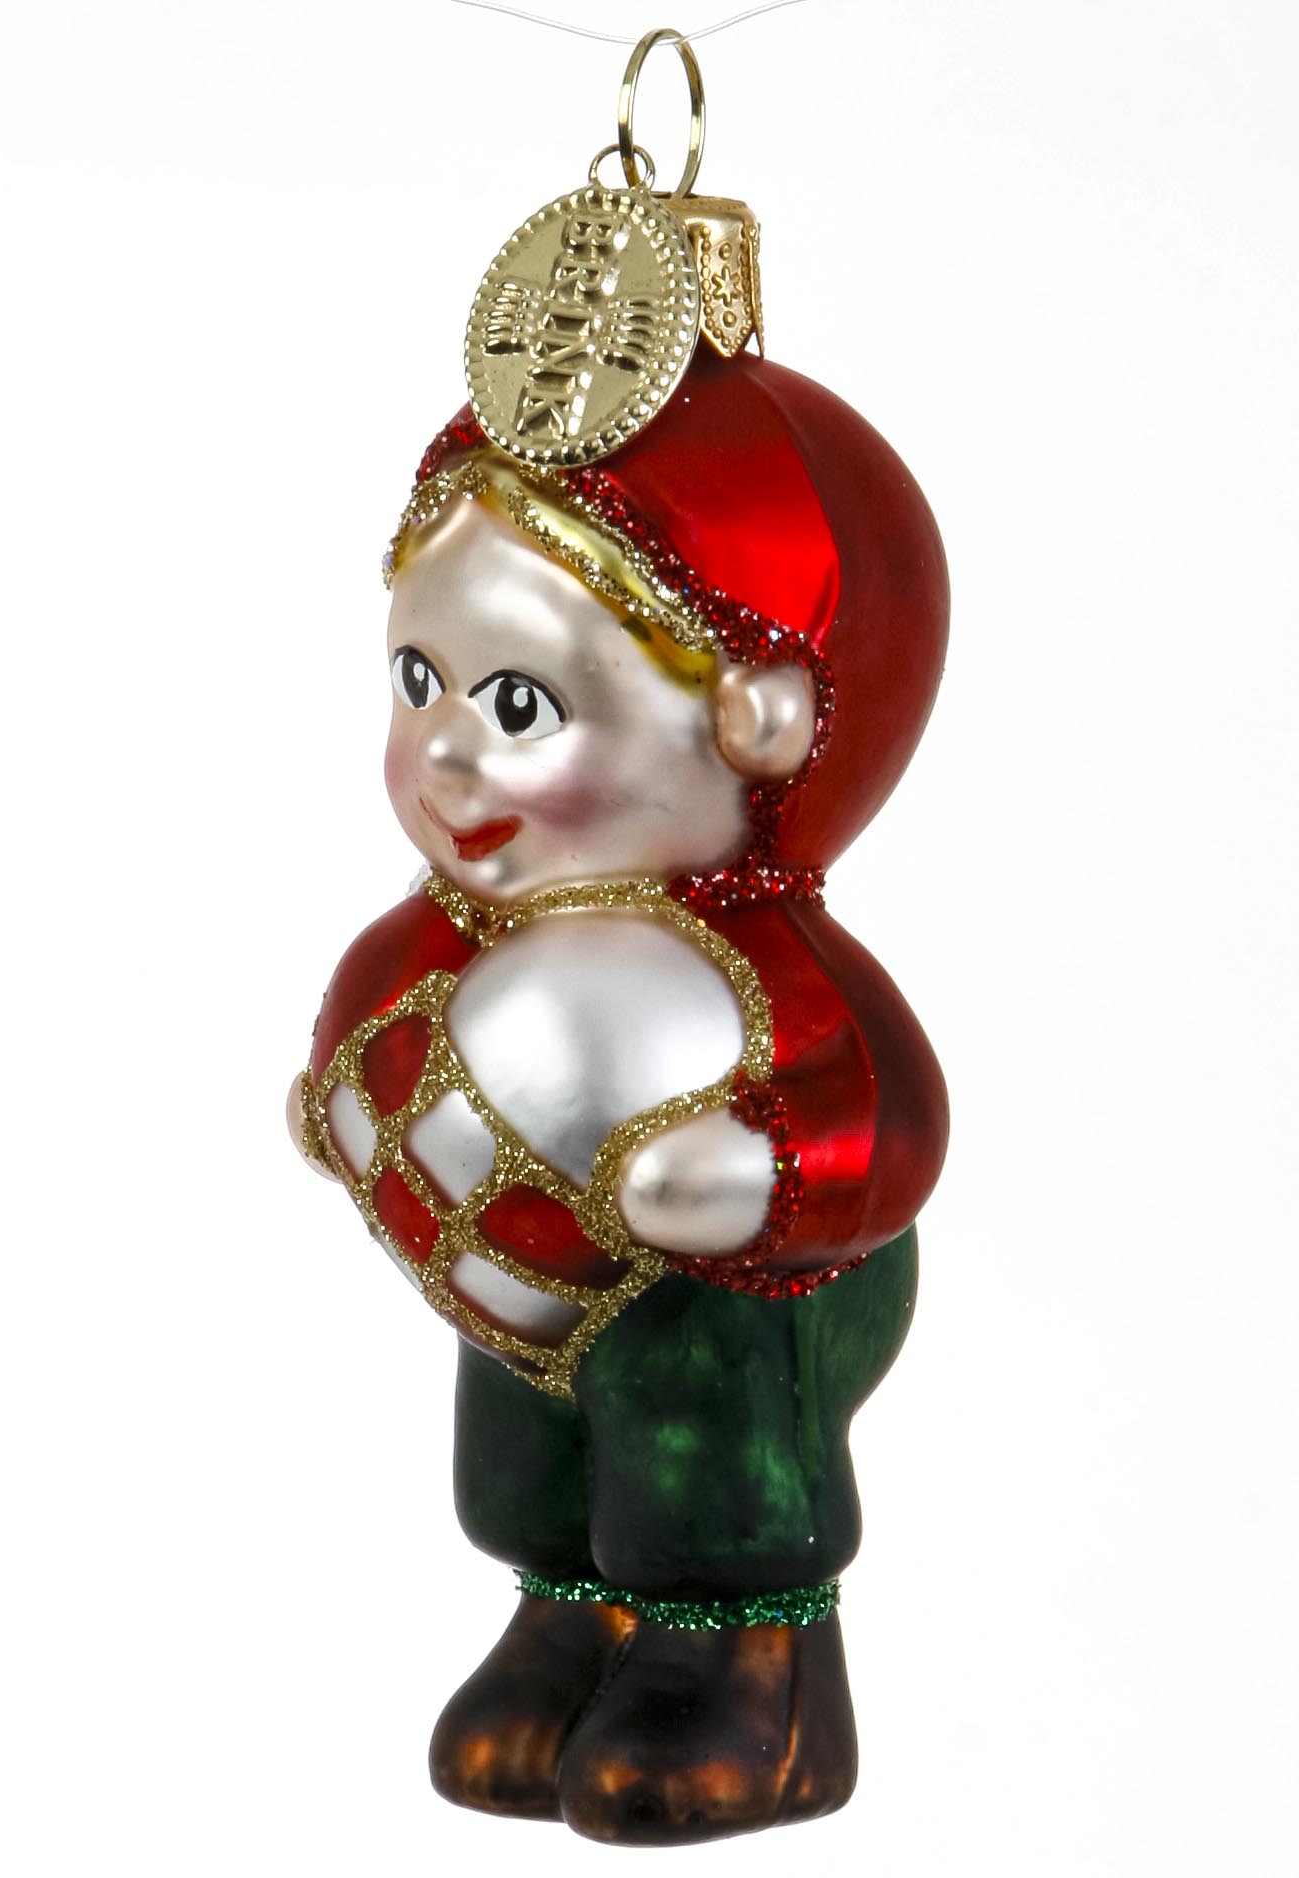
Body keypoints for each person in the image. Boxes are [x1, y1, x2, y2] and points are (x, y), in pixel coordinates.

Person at [291, 344, 949, 1844]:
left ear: (761, 720)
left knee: (697, 1425)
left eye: (517, 701)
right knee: (526, 1446)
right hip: (526, 1269)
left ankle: (755, 1670)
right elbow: (378, 1003)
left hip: (748, 1283)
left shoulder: (768, 972)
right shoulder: (462, 930)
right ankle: (567, 1614)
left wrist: (755, 1176)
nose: (445, 749)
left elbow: (889, 1120)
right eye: (417, 680)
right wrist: (342, 1094)